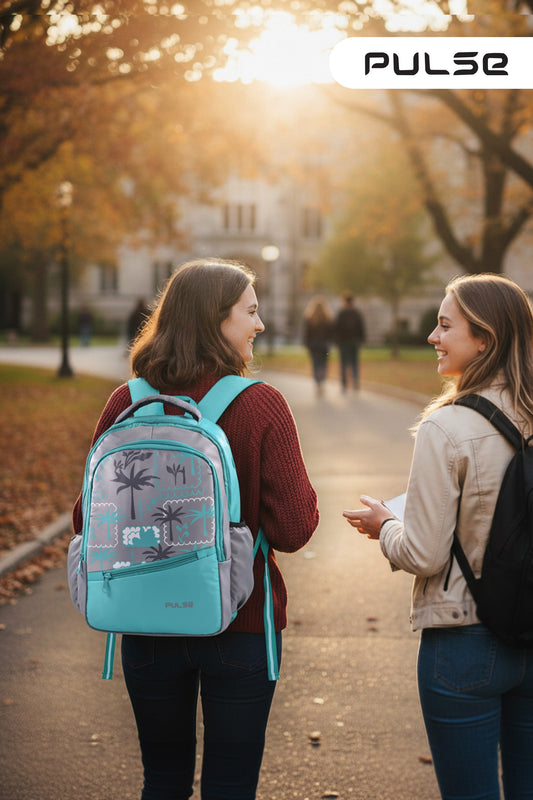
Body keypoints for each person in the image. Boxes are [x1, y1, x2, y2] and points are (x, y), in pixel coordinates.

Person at [72, 258, 319, 800]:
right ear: (215, 319)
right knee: (230, 786)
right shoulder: (260, 405)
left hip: (144, 621)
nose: (259, 325)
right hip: (241, 622)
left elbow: (84, 520)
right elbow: (295, 528)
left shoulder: (128, 401)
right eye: (250, 312)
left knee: (162, 780)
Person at [343, 273, 533, 800]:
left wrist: (385, 527)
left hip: (465, 639)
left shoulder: (447, 426)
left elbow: (424, 552)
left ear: (485, 340)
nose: (432, 335)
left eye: (445, 325)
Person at [302, 294, 334, 397]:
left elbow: (307, 333)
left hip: (313, 345)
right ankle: (322, 379)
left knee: (315, 364)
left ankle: (318, 383)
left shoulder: (310, 318)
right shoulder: (327, 318)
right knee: (323, 364)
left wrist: (306, 344)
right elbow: (331, 333)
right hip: (324, 345)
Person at [334, 291, 366, 392]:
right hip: (354, 342)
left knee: (344, 364)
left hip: (343, 342)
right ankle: (355, 383)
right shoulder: (357, 313)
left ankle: (344, 385)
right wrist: (362, 340)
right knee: (354, 363)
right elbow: (361, 328)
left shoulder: (341, 313)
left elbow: (337, 329)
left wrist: (337, 341)